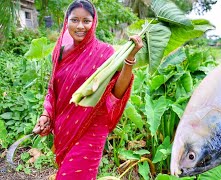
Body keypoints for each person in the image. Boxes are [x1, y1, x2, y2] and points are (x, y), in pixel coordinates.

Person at [32, 0, 143, 179]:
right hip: (65, 126)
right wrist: (46, 115)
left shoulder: (104, 52)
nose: (80, 26)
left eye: (86, 21)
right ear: (66, 21)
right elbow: (54, 90)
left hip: (92, 126)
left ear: (94, 23)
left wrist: (129, 58)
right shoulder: (59, 52)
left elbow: (117, 92)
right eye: (75, 20)